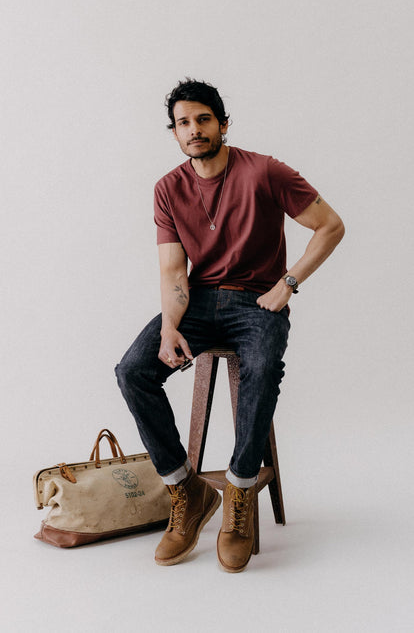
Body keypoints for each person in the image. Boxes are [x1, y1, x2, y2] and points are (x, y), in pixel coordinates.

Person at [115, 78, 344, 573]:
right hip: (197, 303)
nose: (194, 130)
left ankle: (239, 495)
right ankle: (187, 492)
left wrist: (288, 284)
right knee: (133, 370)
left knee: (261, 367)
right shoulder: (168, 189)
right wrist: (172, 325)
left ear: (222, 123)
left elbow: (331, 226)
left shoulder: (265, 171)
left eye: (203, 119)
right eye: (183, 123)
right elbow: (174, 271)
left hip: (256, 302)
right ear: (173, 133)